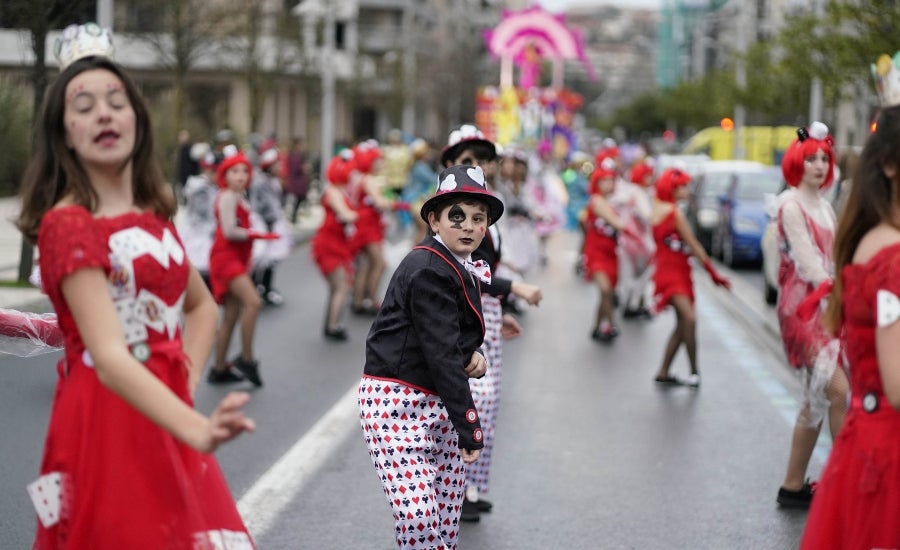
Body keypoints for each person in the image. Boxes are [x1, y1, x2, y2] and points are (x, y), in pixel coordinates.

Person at [15, 23, 255, 548]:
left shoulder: (153, 219)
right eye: (83, 105)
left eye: (116, 100)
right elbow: (109, 354)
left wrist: (181, 391)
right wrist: (191, 426)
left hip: (162, 410)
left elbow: (202, 307)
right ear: (64, 134)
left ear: (138, 121)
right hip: (104, 417)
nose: (103, 112)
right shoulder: (68, 224)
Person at [358, 164, 500, 550]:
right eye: (457, 216)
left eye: (477, 218)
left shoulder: (455, 264)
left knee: (443, 523)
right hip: (397, 405)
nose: (468, 226)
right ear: (434, 220)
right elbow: (440, 352)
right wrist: (470, 424)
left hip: (437, 403)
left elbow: (447, 339)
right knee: (420, 517)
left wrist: (472, 355)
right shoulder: (427, 268)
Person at [799, 58, 900, 548]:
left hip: (868, 439)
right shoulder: (890, 254)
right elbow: (897, 379)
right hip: (887, 449)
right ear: (889, 165)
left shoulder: (872, 239)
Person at [440, 126, 543, 521]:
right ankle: (455, 487)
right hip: (459, 314)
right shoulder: (451, 216)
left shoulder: (486, 207)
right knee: (469, 402)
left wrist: (501, 311)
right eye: (468, 160)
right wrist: (514, 287)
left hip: (484, 312)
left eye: (485, 159)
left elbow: (481, 267)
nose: (479, 166)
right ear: (450, 165)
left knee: (488, 403)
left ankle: (469, 487)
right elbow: (463, 272)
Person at [773, 122, 849, 509]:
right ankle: (844, 483)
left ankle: (792, 485)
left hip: (827, 308)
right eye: (812, 158)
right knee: (837, 390)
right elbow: (809, 266)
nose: (820, 165)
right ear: (796, 162)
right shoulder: (790, 206)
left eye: (825, 158)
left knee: (817, 397)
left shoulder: (824, 206)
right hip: (801, 310)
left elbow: (835, 260)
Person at [650, 166, 731, 387]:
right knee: (689, 319)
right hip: (674, 274)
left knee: (682, 322)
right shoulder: (674, 213)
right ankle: (694, 371)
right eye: (683, 186)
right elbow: (693, 244)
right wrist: (713, 273)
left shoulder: (657, 208)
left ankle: (664, 371)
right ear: (672, 188)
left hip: (669, 271)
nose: (687, 189)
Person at [207, 146, 277, 387]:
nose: (240, 175)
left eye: (244, 171)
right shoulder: (227, 196)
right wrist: (254, 235)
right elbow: (228, 230)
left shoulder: (238, 197)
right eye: (234, 171)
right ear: (224, 175)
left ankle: (218, 369)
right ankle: (246, 359)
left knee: (232, 315)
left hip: (233, 258)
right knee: (253, 302)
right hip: (226, 259)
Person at [311, 150, 359, 341]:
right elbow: (346, 214)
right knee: (341, 286)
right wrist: (361, 214)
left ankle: (331, 323)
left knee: (337, 286)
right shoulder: (333, 192)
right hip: (329, 244)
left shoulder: (338, 191)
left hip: (337, 242)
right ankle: (332, 326)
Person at [583, 157, 629, 342]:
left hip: (611, 254)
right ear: (597, 182)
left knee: (607, 293)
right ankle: (611, 323)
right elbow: (618, 224)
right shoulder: (597, 201)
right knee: (605, 290)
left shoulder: (613, 202)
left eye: (611, 180)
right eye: (604, 181)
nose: (608, 184)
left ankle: (597, 327)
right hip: (596, 253)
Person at [249, 145, 293, 306]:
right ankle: (255, 289)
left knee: (271, 259)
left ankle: (265, 288)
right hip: (263, 223)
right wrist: (268, 225)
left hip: (272, 222)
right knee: (261, 258)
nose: (280, 167)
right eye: (277, 164)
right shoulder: (260, 182)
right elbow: (262, 205)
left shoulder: (272, 181)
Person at [178, 142, 218, 289]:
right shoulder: (200, 188)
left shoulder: (209, 187)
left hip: (206, 232)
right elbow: (203, 214)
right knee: (202, 267)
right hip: (200, 233)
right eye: (213, 172)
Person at [284, 136, 310, 224]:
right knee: (298, 199)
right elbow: (296, 168)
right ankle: (293, 216)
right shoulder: (295, 155)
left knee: (298, 199)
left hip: (295, 180)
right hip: (297, 181)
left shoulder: (293, 155)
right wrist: (304, 168)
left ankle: (293, 216)